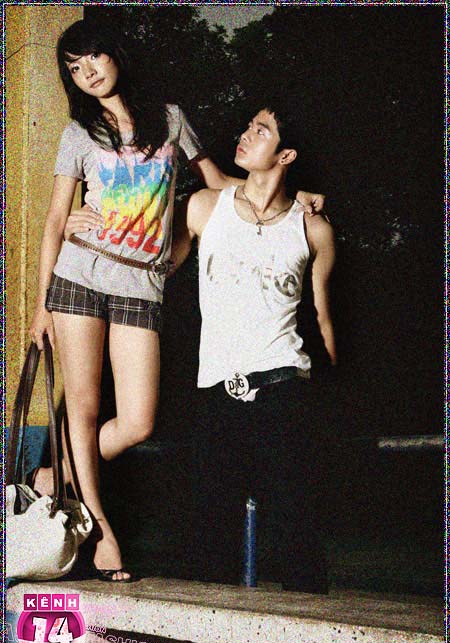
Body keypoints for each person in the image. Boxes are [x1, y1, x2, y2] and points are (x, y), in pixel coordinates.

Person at [28, 19, 324, 582]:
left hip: (142, 284)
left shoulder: (169, 120)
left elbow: (217, 184)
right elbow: (54, 219)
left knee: (138, 420)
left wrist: (294, 194)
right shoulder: (77, 133)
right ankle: (100, 529)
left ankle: (55, 476)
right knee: (83, 409)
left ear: (116, 55)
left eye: (93, 58)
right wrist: (44, 302)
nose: (87, 73)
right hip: (80, 278)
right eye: (74, 68)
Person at [171, 103, 336, 591]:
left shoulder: (313, 228)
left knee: (298, 544)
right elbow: (153, 270)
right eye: (247, 126)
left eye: (260, 131)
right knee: (208, 549)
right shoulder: (205, 207)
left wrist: (332, 399)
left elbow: (324, 320)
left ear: (286, 154)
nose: (245, 135)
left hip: (285, 388)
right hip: (217, 391)